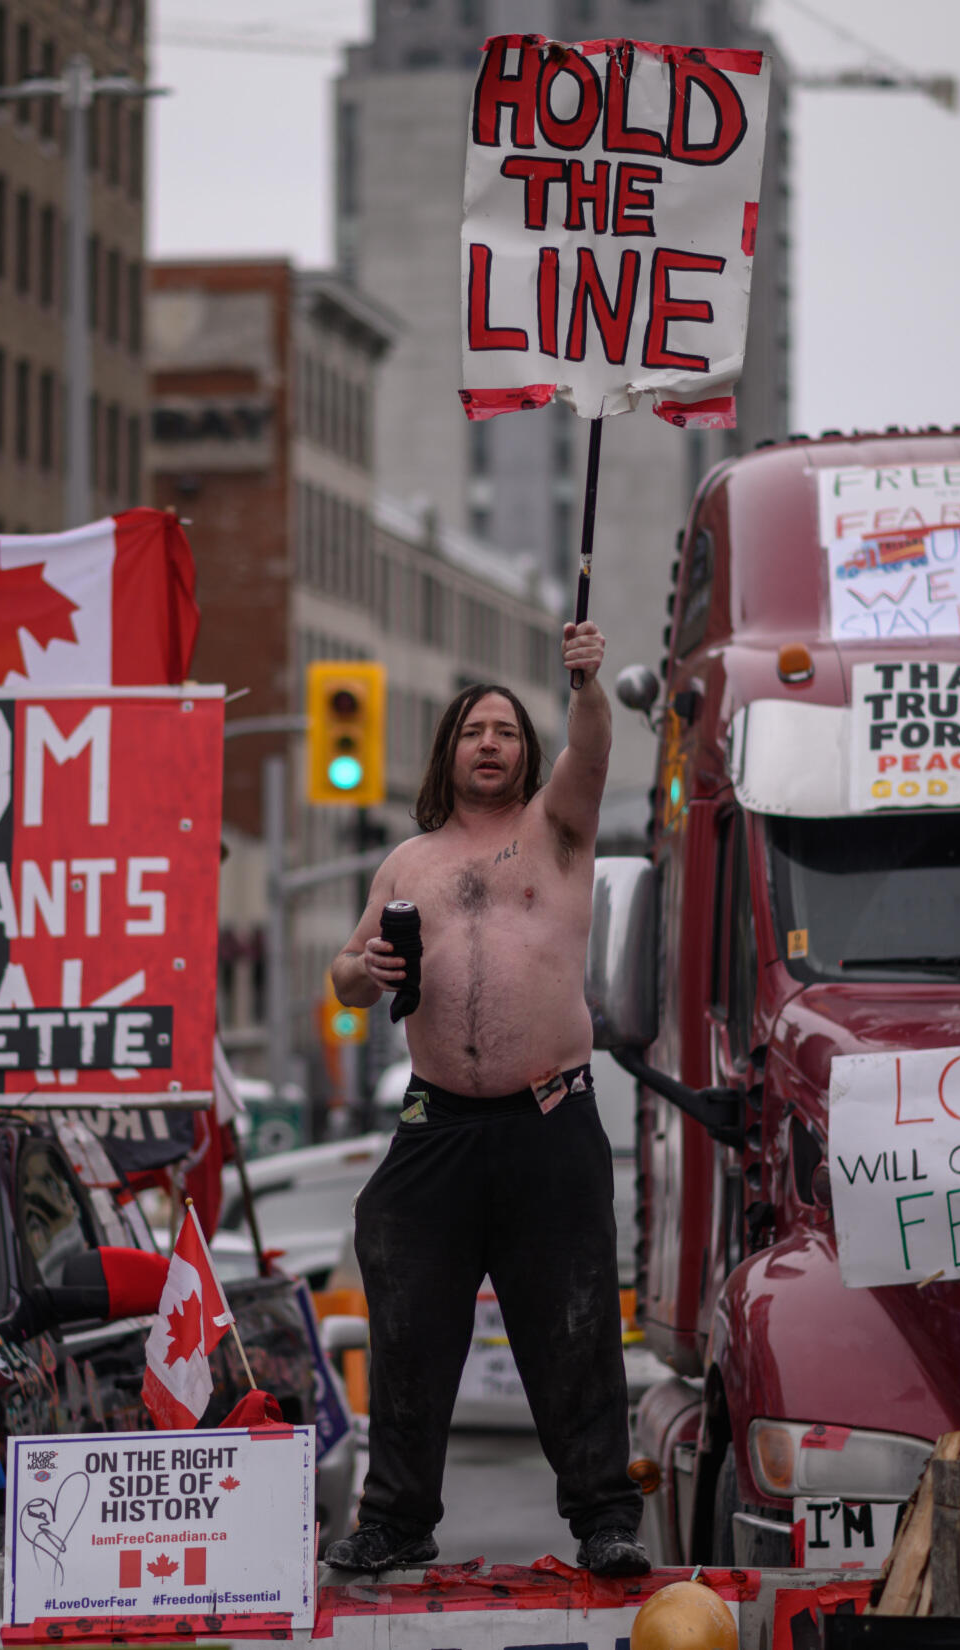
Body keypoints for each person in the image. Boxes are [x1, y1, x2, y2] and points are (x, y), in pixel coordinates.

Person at [322, 621, 645, 1576]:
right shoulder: (406, 863)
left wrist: (585, 680)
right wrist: (362, 967)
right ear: (449, 751)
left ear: (527, 750)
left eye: (506, 730)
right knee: (410, 1322)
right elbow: (343, 978)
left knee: (575, 1323)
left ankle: (603, 1522)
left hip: (549, 1118)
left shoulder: (560, 829)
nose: (492, 743)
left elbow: (593, 745)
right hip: (437, 1125)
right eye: (475, 731)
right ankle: (396, 1519)